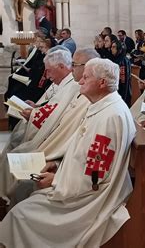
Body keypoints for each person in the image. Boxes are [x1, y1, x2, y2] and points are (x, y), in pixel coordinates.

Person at [0, 58, 136, 247]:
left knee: (20, 215)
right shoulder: (102, 108)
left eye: (86, 78)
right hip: (75, 184)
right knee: (25, 200)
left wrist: (55, 180)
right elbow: (84, 156)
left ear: (102, 83)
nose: (80, 81)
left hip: (87, 200)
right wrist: (56, 166)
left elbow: (95, 175)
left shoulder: (110, 117)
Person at [0, 49, 99, 206]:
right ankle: (5, 197)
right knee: (16, 148)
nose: (72, 69)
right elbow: (58, 111)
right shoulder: (81, 90)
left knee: (17, 155)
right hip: (59, 148)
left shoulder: (92, 99)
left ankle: (5, 198)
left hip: (64, 159)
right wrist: (37, 109)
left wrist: (57, 165)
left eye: (75, 65)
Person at [110, 39, 131, 106]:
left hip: (122, 92)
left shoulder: (123, 61)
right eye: (111, 47)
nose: (111, 49)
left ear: (119, 49)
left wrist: (122, 98)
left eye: (114, 47)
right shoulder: (116, 59)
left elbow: (123, 81)